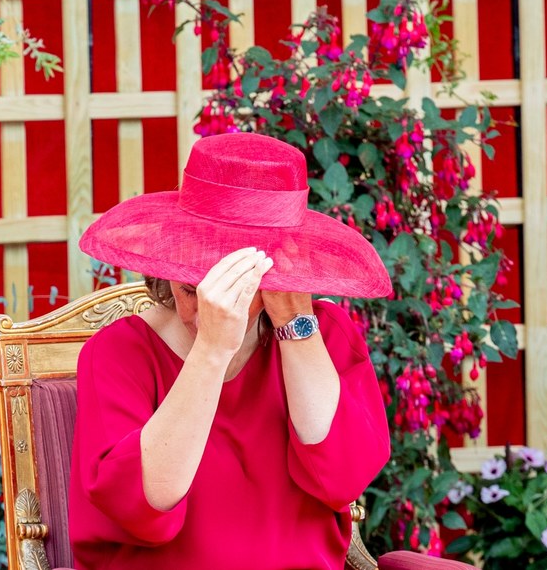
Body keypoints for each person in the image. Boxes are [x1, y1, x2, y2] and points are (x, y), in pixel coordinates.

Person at [71, 132, 393, 569]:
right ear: (168, 266)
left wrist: (295, 322)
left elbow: (341, 478)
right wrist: (211, 348)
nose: (210, 302)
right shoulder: (119, 352)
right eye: (191, 287)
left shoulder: (327, 333)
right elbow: (147, 505)